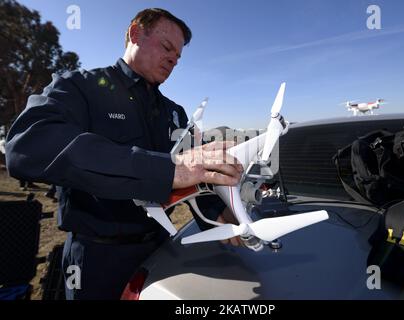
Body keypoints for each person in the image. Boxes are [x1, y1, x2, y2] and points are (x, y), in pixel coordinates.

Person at [5, 8, 243, 300]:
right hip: (97, 260)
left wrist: (217, 213)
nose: (172, 59)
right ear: (135, 34)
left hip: (162, 250)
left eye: (178, 57)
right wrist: (170, 169)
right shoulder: (79, 87)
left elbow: (195, 178)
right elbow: (27, 146)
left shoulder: (175, 113)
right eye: (167, 47)